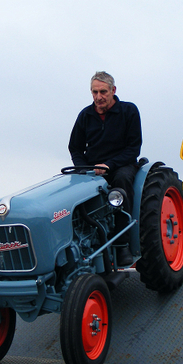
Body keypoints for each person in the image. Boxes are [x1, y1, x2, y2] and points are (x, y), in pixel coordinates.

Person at [68, 71, 142, 265]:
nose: (98, 97)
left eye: (103, 92)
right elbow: (75, 147)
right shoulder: (85, 115)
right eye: (94, 92)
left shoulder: (129, 111)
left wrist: (108, 165)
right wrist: (84, 168)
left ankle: (122, 244)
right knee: (69, 188)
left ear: (113, 90)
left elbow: (133, 148)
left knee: (121, 181)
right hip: (92, 168)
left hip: (121, 165)